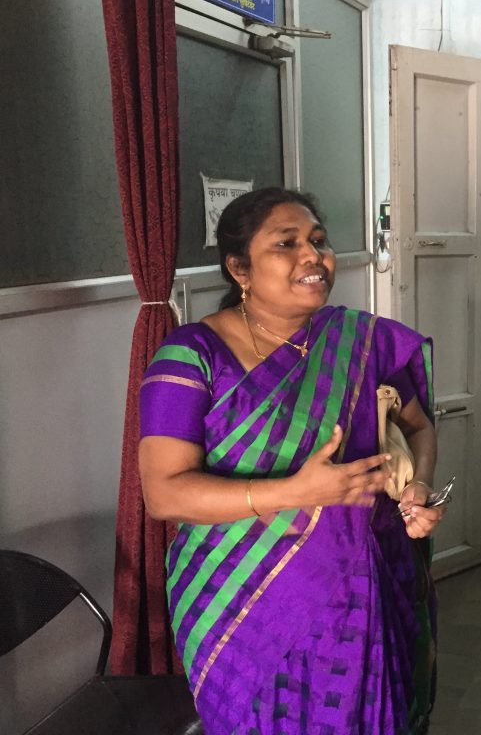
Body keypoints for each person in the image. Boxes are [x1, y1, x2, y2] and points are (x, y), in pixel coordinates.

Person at [138, 188, 445, 735]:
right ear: (240, 268)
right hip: (241, 600)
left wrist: (418, 486)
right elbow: (164, 493)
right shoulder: (192, 355)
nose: (313, 256)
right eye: (287, 244)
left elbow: (420, 428)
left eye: (319, 241)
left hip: (365, 585)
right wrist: (294, 493)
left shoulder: (363, 341)